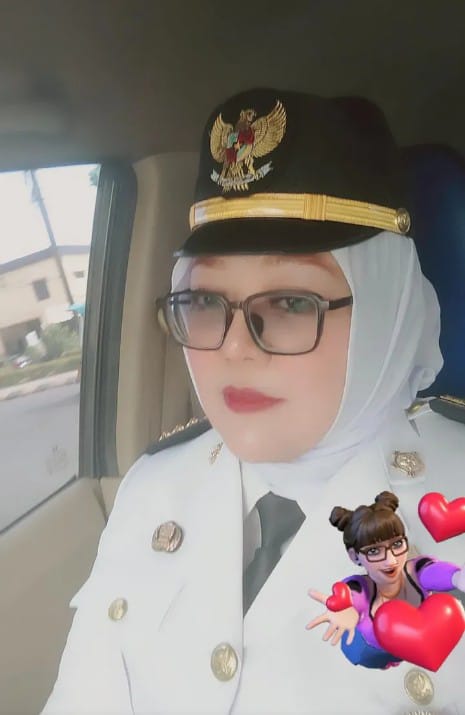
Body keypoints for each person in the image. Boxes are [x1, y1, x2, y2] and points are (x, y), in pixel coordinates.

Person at [42, 88, 465, 714]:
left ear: (385, 314)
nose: (233, 347)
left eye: (291, 302)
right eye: (205, 301)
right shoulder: (153, 486)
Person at [307, 491, 465, 670]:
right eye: (374, 551)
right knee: (379, 663)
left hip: (409, 645)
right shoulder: (362, 588)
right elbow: (349, 595)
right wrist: (345, 610)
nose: (391, 561)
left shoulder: (416, 571)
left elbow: (432, 571)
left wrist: (456, 577)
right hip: (367, 650)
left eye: (397, 544)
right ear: (354, 556)